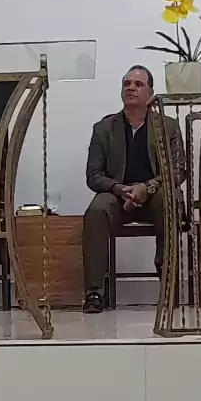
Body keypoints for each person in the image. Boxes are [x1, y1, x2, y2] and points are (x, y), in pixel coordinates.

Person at [82, 65, 185, 314]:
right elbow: (93, 176)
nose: (131, 88)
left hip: (154, 194)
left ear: (150, 94)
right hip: (118, 196)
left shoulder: (168, 126)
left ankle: (168, 280)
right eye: (127, 83)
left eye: (138, 84)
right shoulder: (103, 128)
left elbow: (178, 170)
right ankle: (94, 291)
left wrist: (147, 187)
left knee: (168, 200)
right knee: (96, 210)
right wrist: (120, 189)